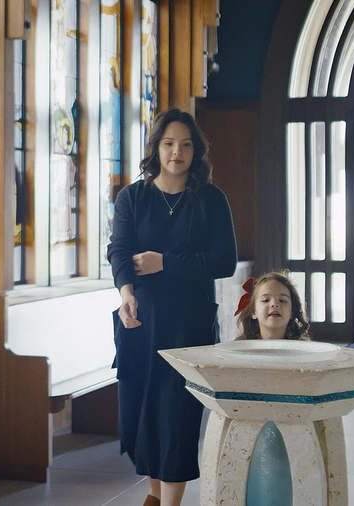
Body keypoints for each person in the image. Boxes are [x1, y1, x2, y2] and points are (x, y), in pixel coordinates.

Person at [107, 108, 237, 506]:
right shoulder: (133, 197)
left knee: (175, 417)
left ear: (195, 150)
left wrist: (167, 261)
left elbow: (224, 261)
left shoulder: (211, 199)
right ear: (157, 149)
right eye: (168, 144)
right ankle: (154, 496)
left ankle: (170, 503)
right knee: (140, 412)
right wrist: (125, 293)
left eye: (184, 144)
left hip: (188, 324)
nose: (176, 152)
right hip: (140, 320)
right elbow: (119, 251)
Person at [234, 271, 311, 341]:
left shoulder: (303, 351)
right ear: (254, 311)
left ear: (292, 311)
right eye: (266, 300)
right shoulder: (242, 350)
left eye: (282, 300)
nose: (274, 304)